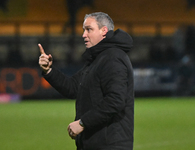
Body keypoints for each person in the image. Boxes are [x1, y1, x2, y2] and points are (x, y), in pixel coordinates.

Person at [38, 12, 134, 150]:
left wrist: (83, 123)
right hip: (95, 143)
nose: (84, 34)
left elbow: (115, 100)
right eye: (84, 30)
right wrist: (48, 70)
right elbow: (72, 87)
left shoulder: (113, 58)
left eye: (89, 29)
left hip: (109, 144)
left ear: (104, 31)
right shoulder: (98, 59)